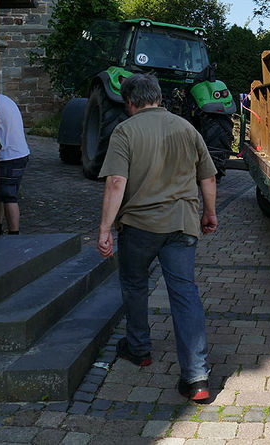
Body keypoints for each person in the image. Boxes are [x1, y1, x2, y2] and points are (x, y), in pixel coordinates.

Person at [97, 73, 218, 403]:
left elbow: (116, 183)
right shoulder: (186, 128)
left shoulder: (125, 131)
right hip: (182, 224)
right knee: (184, 293)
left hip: (140, 226)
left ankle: (139, 349)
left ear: (130, 103)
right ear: (159, 98)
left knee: (135, 285)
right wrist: (210, 212)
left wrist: (105, 229)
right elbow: (207, 175)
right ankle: (196, 378)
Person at [0, 93, 30, 234]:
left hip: (8, 157)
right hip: (20, 153)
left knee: (8, 196)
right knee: (0, 195)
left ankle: (13, 234)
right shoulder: (4, 99)